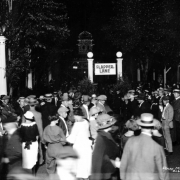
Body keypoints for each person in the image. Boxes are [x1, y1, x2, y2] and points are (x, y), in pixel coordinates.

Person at [120, 113, 169, 180]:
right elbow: (163, 171)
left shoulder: (130, 141)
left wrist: (123, 178)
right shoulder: (157, 147)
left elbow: (123, 165)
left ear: (140, 126)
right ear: (152, 127)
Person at [90, 114, 120, 180]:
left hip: (110, 170)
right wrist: (114, 162)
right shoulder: (102, 138)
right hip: (107, 172)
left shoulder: (106, 134)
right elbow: (99, 159)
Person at [67, 108, 92, 180]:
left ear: (76, 115)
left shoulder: (77, 124)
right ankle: (86, 177)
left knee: (80, 165)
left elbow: (71, 139)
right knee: (86, 163)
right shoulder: (86, 121)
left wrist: (65, 139)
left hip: (79, 146)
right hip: (86, 145)